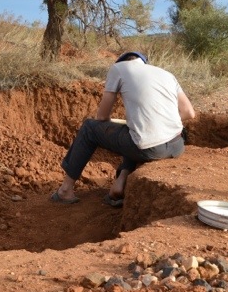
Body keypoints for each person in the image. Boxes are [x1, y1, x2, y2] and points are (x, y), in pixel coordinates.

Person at [50, 51, 196, 207]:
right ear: (144, 63)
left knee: (89, 128)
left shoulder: (118, 69)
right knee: (134, 132)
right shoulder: (167, 74)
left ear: (122, 62)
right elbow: (189, 113)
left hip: (151, 149)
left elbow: (101, 117)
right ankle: (120, 182)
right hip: (177, 145)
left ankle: (65, 190)